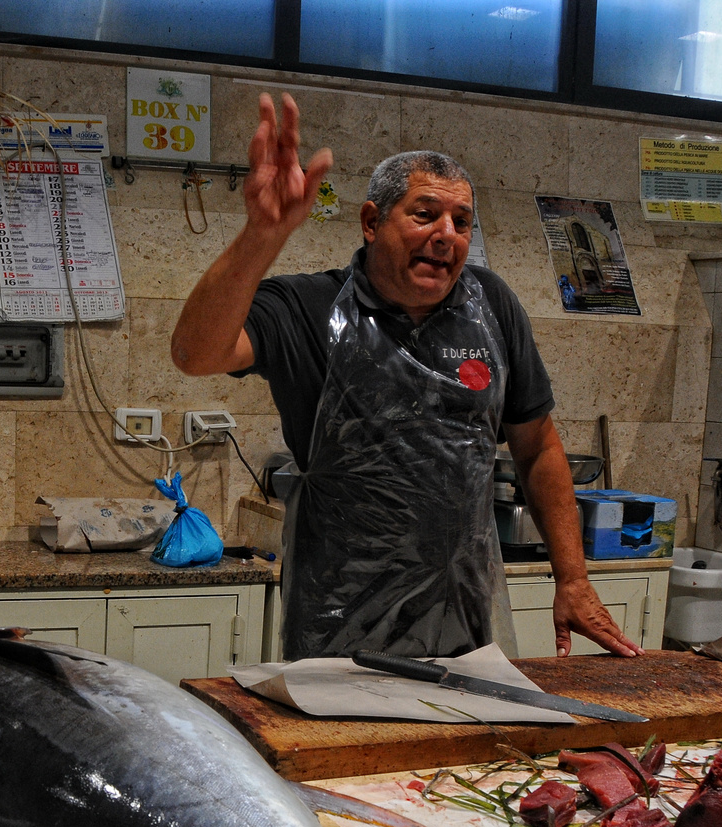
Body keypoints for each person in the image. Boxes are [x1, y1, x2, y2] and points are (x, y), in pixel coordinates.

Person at [170, 93, 643, 662]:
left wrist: (572, 578)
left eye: (462, 222)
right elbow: (195, 353)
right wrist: (262, 236)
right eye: (425, 214)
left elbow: (537, 444)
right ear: (372, 222)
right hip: (337, 612)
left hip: (463, 606)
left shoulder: (491, 303)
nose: (447, 234)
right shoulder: (307, 305)